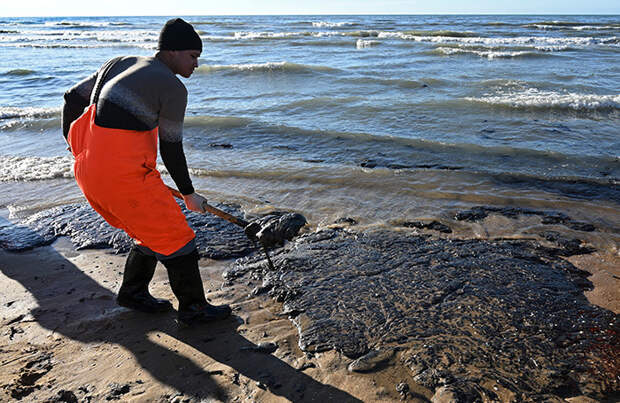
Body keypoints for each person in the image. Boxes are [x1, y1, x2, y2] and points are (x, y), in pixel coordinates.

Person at [62, 18, 231, 327]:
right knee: (178, 235)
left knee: (148, 231)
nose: (196, 64)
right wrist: (189, 193)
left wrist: (74, 146)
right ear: (172, 51)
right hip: (122, 178)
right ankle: (194, 310)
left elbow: (72, 99)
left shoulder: (120, 62)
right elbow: (171, 148)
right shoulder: (172, 87)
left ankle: (133, 293)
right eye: (193, 56)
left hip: (88, 171)